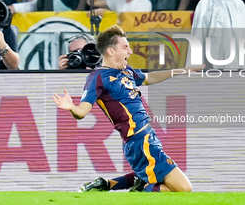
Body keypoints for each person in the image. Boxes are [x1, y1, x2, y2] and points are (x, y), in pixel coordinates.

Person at [53, 24, 204, 192]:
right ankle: (140, 189)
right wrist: (71, 107)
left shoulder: (126, 71)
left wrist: (182, 70)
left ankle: (107, 184)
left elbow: (148, 78)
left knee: (150, 174)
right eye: (125, 47)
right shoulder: (97, 77)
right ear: (111, 51)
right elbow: (81, 112)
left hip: (146, 137)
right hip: (139, 140)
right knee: (184, 189)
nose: (130, 51)